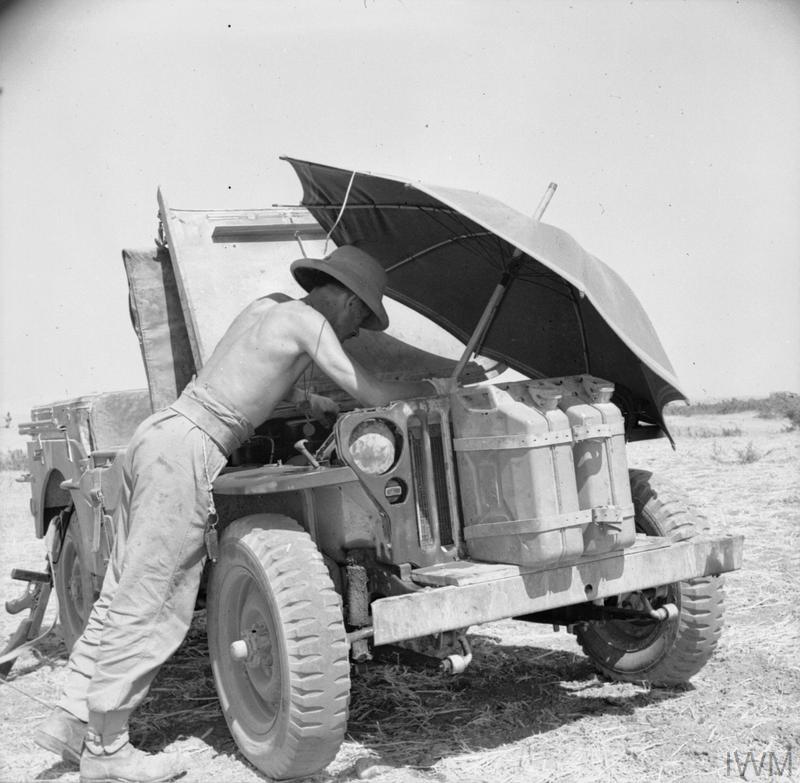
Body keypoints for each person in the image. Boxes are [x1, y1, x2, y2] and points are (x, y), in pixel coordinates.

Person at [35, 246, 436, 783]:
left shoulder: (268, 307)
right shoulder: (311, 324)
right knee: (156, 598)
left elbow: (243, 374)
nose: (352, 332)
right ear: (347, 300)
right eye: (358, 321)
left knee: (122, 590)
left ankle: (72, 718)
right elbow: (374, 391)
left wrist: (307, 401)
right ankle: (106, 750)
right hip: (192, 448)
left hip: (161, 434)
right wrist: (438, 385)